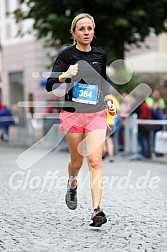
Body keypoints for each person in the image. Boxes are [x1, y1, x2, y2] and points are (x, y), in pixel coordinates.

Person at [46, 13, 116, 227]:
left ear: (93, 31)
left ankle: (96, 210)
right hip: (73, 114)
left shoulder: (100, 55)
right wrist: (64, 75)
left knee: (95, 161)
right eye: (81, 29)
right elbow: (50, 84)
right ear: (74, 33)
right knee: (77, 162)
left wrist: (109, 100)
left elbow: (103, 83)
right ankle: (72, 184)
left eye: (89, 28)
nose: (86, 32)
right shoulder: (66, 55)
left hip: (96, 114)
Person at [102, 94, 121, 162]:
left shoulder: (101, 97)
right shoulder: (113, 98)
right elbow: (118, 109)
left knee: (102, 138)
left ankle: (104, 149)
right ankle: (111, 156)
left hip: (103, 121)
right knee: (109, 139)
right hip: (112, 122)